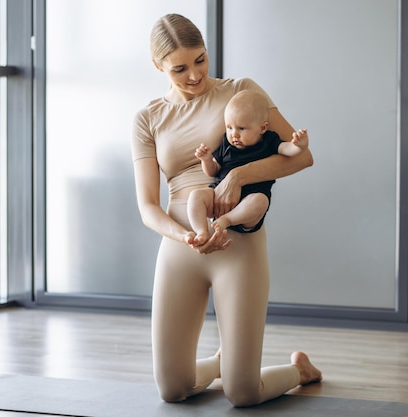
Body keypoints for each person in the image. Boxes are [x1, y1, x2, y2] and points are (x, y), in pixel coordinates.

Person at [131, 13, 322, 407]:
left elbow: (301, 158)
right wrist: (184, 235)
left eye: (200, 60)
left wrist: (239, 176)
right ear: (158, 67)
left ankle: (299, 371)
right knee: (172, 390)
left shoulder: (240, 92)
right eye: (179, 68)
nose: (195, 75)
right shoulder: (147, 118)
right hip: (182, 247)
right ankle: (221, 363)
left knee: (243, 394)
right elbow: (148, 206)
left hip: (238, 243)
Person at [187, 89, 306, 244]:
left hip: (248, 208)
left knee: (260, 201)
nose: (234, 134)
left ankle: (227, 220)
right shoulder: (226, 144)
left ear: (262, 128)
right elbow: (212, 172)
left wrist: (299, 146)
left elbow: (288, 150)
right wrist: (207, 160)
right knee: (196, 195)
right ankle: (201, 231)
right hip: (219, 197)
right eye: (229, 127)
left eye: (241, 128)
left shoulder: (269, 141)